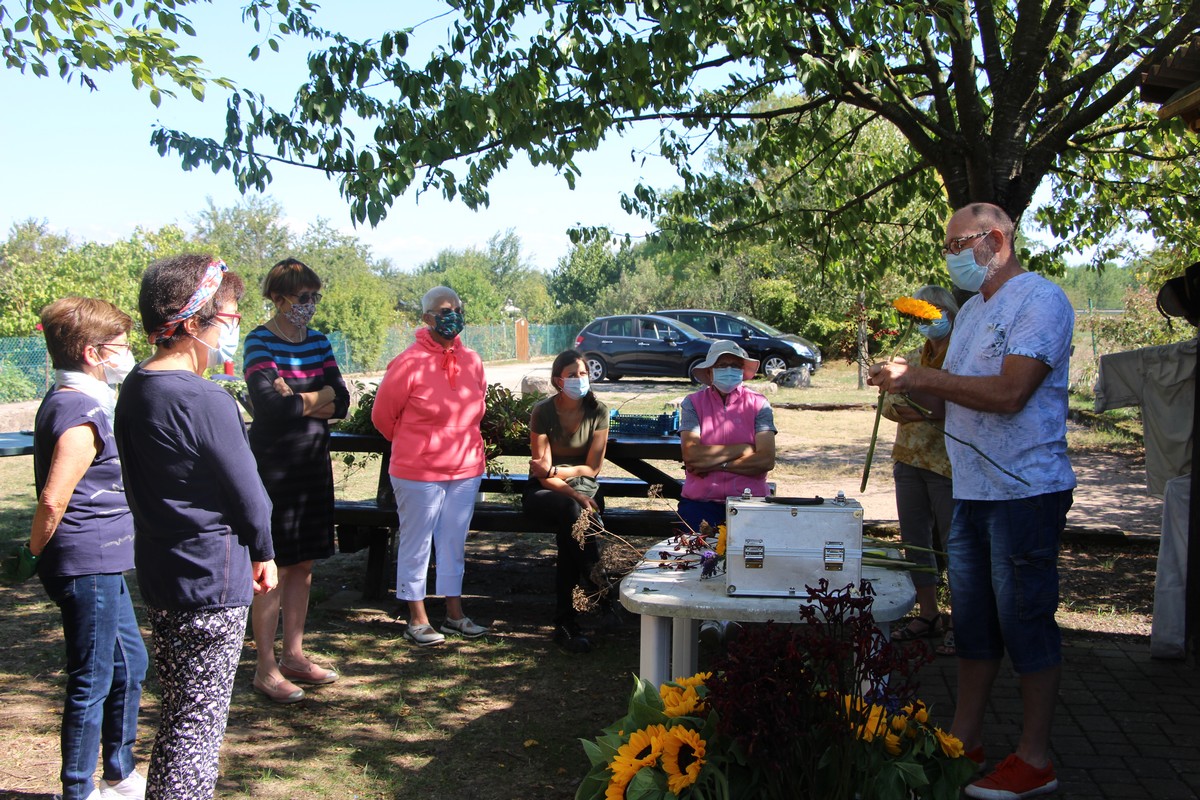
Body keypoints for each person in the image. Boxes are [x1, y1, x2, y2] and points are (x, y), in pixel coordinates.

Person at [869, 202, 1075, 800]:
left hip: (1024, 492)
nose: (951, 255)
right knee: (974, 624)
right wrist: (901, 390)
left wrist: (920, 377)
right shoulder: (971, 313)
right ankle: (964, 742)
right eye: (947, 246)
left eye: (960, 244)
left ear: (998, 241)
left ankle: (1035, 760)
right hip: (972, 490)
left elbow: (1011, 393)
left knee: (1025, 621)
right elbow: (946, 404)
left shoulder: (1040, 300)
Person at [114, 255, 277, 800]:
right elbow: (250, 494)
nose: (234, 327)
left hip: (162, 571)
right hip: (210, 577)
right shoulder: (204, 398)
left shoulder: (136, 385)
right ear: (191, 322)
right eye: (229, 316)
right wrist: (264, 550)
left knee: (182, 714)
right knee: (197, 728)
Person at [30, 297, 148, 800]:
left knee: (130, 665)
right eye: (120, 345)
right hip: (85, 562)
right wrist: (34, 552)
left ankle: (118, 773)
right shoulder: (79, 409)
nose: (128, 353)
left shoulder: (88, 399)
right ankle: (78, 790)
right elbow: (53, 498)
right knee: (93, 678)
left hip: (104, 560)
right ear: (91, 352)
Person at [243, 258, 350, 703]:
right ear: (278, 297)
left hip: (312, 466)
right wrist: (319, 397)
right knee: (275, 566)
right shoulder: (259, 341)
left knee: (303, 564)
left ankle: (294, 655)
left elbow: (342, 401)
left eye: (314, 297)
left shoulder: (320, 341)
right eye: (303, 297)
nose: (310, 304)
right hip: (275, 468)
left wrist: (301, 396)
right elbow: (270, 408)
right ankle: (265, 667)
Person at [371, 286, 489, 647]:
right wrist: (419, 445)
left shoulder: (473, 360)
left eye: (458, 309)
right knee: (417, 542)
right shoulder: (408, 362)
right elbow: (382, 417)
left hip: (465, 469)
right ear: (426, 318)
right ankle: (417, 619)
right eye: (443, 310)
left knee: (453, 543)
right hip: (418, 472)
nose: (452, 315)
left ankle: (454, 615)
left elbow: (478, 408)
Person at [679, 340, 777, 645]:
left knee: (746, 566)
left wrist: (716, 461)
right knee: (703, 564)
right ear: (709, 372)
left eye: (735, 365)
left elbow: (766, 458)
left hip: (748, 503)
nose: (729, 371)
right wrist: (742, 449)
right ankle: (706, 618)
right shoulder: (692, 404)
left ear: (744, 371)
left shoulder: (759, 404)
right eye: (722, 365)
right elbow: (691, 455)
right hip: (700, 502)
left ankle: (736, 619)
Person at [881, 285, 959, 657]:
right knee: (915, 541)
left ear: (950, 313)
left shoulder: (961, 356)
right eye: (921, 314)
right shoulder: (911, 356)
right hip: (908, 458)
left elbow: (954, 405)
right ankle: (928, 614)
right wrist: (925, 410)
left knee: (956, 544)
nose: (928, 321)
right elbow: (889, 404)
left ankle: (963, 623)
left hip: (948, 463)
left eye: (935, 312)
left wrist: (921, 407)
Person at [521, 349, 610, 653]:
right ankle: (599, 586)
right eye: (572, 374)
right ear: (558, 380)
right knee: (573, 513)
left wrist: (562, 473)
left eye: (583, 373)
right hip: (545, 492)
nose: (579, 379)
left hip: (585, 489)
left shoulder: (598, 411)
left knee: (570, 532)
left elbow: (592, 468)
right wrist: (574, 493)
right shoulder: (543, 411)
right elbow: (542, 474)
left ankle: (566, 623)